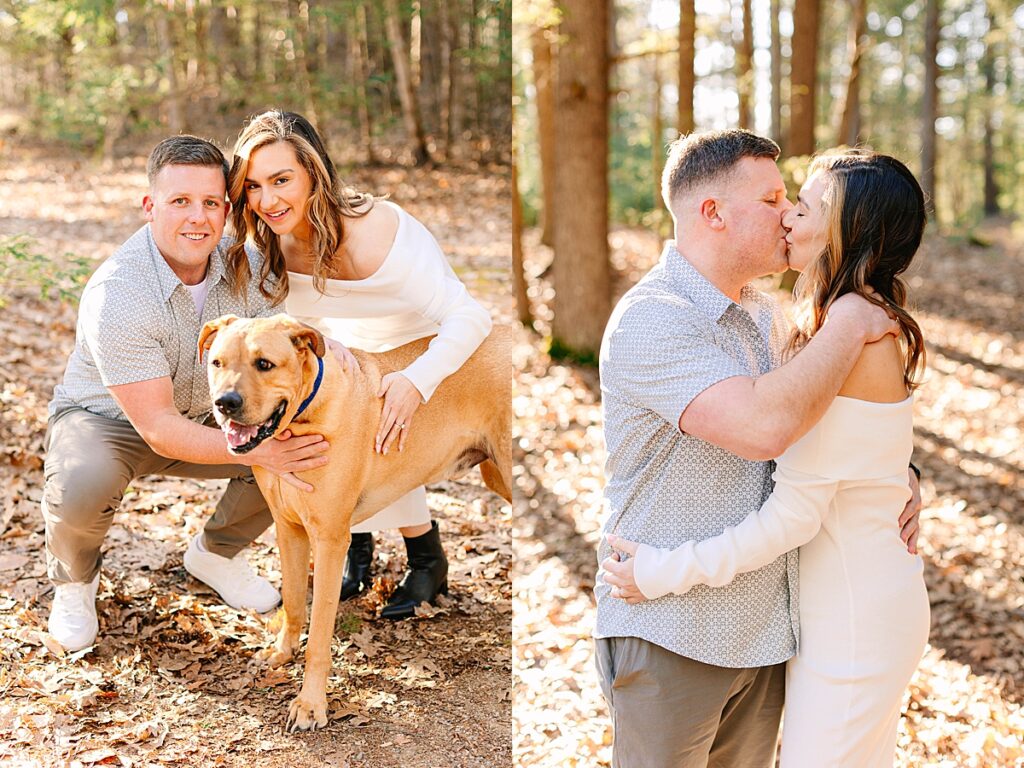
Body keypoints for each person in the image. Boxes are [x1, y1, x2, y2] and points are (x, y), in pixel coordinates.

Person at [592, 131, 923, 768]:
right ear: (712, 213)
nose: (787, 214)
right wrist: (853, 320)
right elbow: (767, 427)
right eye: (772, 198)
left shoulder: (768, 314)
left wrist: (894, 471)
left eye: (796, 201)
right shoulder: (654, 318)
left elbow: (835, 426)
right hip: (675, 627)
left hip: (770, 633)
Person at [43, 135, 333, 653]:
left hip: (213, 411)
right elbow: (156, 427)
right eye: (180, 202)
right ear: (150, 206)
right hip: (110, 422)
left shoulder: (248, 266)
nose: (197, 218)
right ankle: (74, 581)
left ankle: (216, 553)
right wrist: (262, 447)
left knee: (302, 449)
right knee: (82, 479)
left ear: (227, 208)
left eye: (211, 203)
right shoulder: (119, 292)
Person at [225, 110, 493, 620]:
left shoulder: (378, 232)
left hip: (423, 348)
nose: (268, 200)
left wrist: (416, 380)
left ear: (314, 172)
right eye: (254, 186)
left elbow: (469, 315)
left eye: (282, 180)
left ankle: (426, 557)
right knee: (329, 427)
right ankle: (357, 550)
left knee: (381, 422)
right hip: (348, 353)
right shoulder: (267, 241)